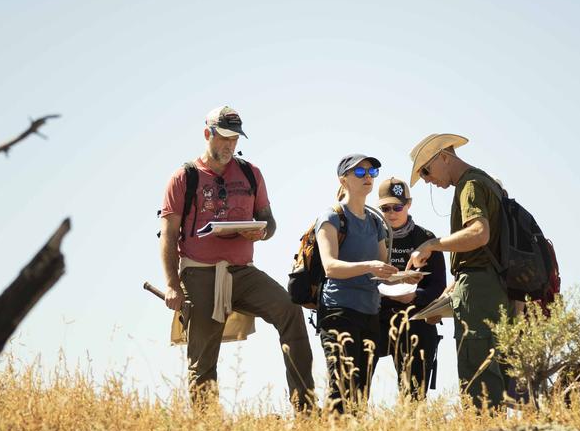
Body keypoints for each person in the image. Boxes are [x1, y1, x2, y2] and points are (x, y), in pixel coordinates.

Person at [159, 106, 316, 411]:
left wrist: (261, 233)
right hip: (200, 273)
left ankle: (306, 408)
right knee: (203, 358)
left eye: (235, 139)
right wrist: (172, 285)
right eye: (224, 138)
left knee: (289, 310)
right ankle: (206, 429)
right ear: (208, 134)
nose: (229, 146)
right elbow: (168, 236)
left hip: (243, 272)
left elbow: (269, 222)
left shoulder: (250, 173)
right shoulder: (184, 177)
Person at [405, 134, 510, 409]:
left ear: (444, 157)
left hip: (479, 293)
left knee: (478, 380)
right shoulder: (485, 181)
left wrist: (431, 245)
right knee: (494, 377)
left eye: (426, 171)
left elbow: (479, 233)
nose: (427, 180)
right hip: (491, 288)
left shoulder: (469, 185)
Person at [314, 154, 409, 413]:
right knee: (341, 387)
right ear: (343, 180)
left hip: (370, 312)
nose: (367, 176)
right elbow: (330, 267)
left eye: (371, 172)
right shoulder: (331, 218)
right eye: (359, 172)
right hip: (339, 312)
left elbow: (382, 271)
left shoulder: (376, 221)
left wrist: (405, 277)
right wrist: (370, 267)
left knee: (361, 392)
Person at [371, 177, 446, 400]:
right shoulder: (369, 237)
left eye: (398, 206)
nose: (392, 212)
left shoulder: (426, 238)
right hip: (376, 316)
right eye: (385, 207)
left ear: (409, 205)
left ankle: (411, 424)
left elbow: (438, 285)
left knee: (414, 394)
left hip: (415, 318)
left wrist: (415, 295)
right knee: (355, 381)